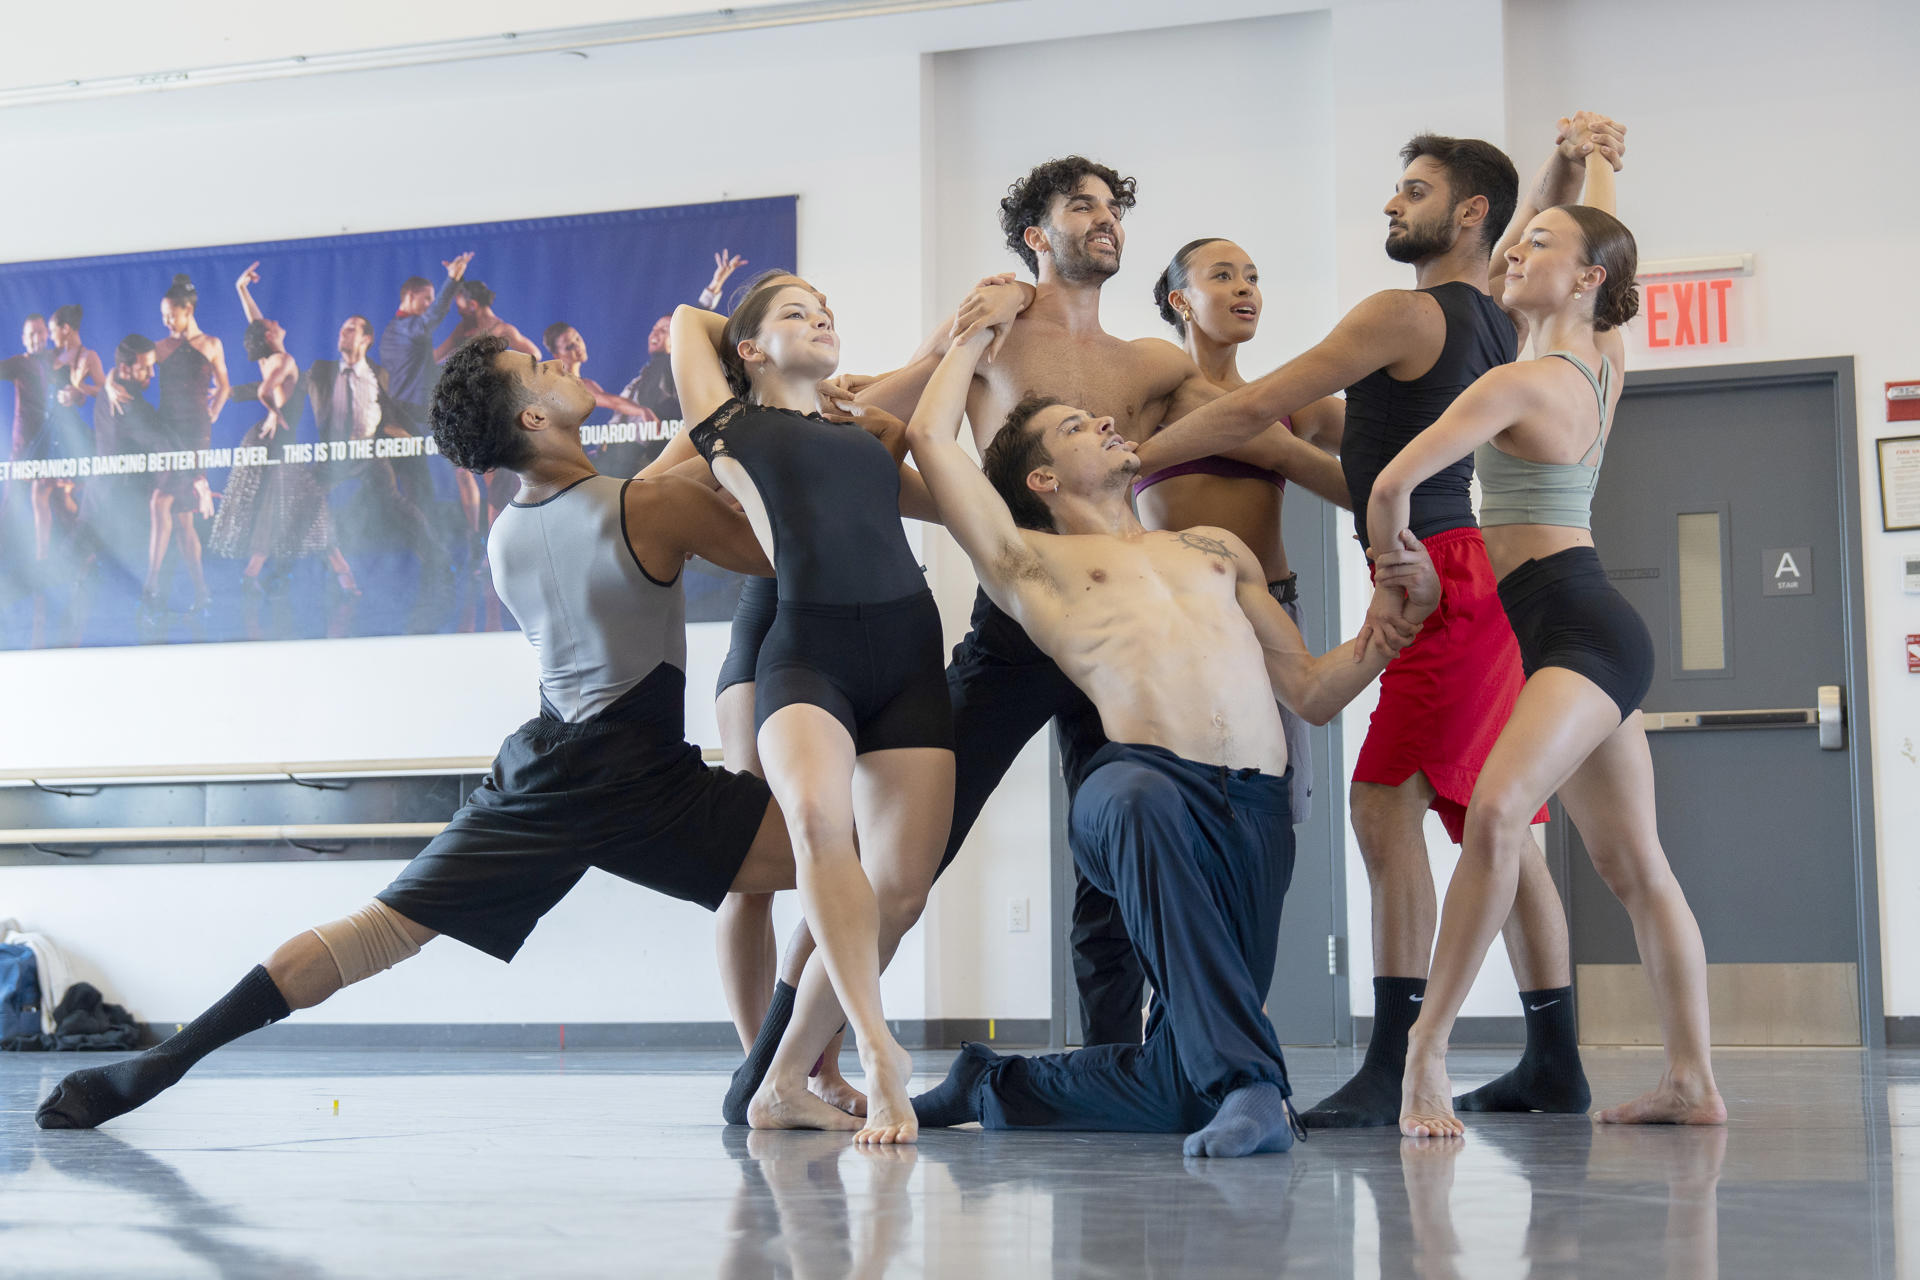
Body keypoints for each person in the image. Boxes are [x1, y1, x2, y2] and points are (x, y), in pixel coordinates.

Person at [34, 333, 792, 1132]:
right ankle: (769, 1072)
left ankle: (152, 1067)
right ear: (535, 415)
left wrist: (734, 399)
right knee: (859, 864)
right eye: (543, 370)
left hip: (540, 775)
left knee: (378, 932)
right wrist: (778, 410)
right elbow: (780, 550)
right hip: (637, 780)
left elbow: (660, 475)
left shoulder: (511, 536)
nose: (565, 366)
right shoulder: (643, 505)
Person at [1130, 115, 1625, 1128]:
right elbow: (1520, 228)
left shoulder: (1401, 317)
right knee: (1509, 827)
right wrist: (1570, 167)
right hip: (1476, 577)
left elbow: (1249, 406)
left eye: (1412, 189)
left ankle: (1396, 1057)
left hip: (1435, 577)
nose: (1392, 203)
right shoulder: (1496, 310)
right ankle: (1555, 1058)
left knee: (1384, 807)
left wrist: (1128, 464)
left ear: (1466, 212)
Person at [900, 320, 1439, 1157]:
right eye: (1077, 426)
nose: (1106, 423)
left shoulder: (1213, 550)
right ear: (1040, 477)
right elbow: (929, 437)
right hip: (1139, 789)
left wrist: (1389, 626)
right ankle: (1254, 1085)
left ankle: (992, 1083)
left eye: (1100, 417)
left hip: (1254, 807)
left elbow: (1310, 691)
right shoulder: (1029, 561)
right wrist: (972, 336)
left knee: (1180, 1083)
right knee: (1131, 796)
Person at [1378, 144, 1724, 1137]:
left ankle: (1424, 1054)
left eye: (1538, 242)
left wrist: (1398, 566)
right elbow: (1577, 254)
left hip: (1575, 623)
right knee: (1636, 868)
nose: (1512, 250)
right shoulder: (1602, 359)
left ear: (1588, 278)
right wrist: (1584, 162)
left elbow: (1393, 485)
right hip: (1583, 626)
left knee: (1495, 813)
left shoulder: (1523, 380)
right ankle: (1691, 1080)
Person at [671, 271, 956, 1144]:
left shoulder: (865, 432)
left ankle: (790, 1075)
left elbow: (949, 496)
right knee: (816, 831)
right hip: (805, 648)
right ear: (750, 350)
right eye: (799, 314)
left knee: (901, 889)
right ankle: (875, 1051)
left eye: (829, 310)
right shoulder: (730, 429)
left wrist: (940, 358)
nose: (822, 318)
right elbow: (690, 317)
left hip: (909, 650)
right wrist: (765, 330)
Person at [1140, 237, 1348, 827]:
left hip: (1273, 609)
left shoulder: (1297, 404)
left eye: (1252, 278)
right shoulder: (1149, 398)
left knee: (1272, 799)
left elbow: (1383, 470)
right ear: (1181, 300)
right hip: (1177, 610)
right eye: (1224, 276)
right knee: (1183, 798)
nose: (1244, 289)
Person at [208, 263, 356, 625]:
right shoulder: (284, 358)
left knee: (292, 508)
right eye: (270, 325)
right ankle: (342, 576)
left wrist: (242, 289)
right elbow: (263, 390)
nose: (272, 321)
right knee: (306, 507)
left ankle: (258, 575)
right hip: (274, 444)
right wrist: (274, 410)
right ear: (271, 336)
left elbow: (255, 324)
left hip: (270, 444)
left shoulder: (268, 354)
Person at [140, 274, 229, 633]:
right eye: (163, 315)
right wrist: (114, 384)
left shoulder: (211, 344)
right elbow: (131, 368)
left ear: (187, 310)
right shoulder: (160, 348)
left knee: (162, 502)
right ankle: (203, 594)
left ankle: (150, 589)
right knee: (182, 520)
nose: (165, 321)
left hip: (195, 435)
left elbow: (225, 385)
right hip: (167, 432)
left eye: (170, 315)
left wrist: (214, 411)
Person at [378, 254, 478, 557]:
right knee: (416, 485)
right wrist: (453, 279)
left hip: (423, 412)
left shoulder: (404, 331)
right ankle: (431, 548)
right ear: (410, 296)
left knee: (456, 473)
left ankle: (467, 541)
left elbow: (424, 363)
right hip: (410, 416)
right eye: (427, 298)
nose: (430, 303)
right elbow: (432, 317)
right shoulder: (403, 328)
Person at [67, 335, 158, 643]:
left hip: (110, 490)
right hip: (113, 492)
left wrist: (103, 384)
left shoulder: (116, 387)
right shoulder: (125, 400)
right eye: (146, 369)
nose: (152, 375)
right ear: (125, 368)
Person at [541, 322, 655, 422]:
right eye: (569, 346)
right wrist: (641, 411)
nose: (578, 347)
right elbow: (612, 402)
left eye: (577, 339)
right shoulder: (570, 384)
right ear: (557, 355)